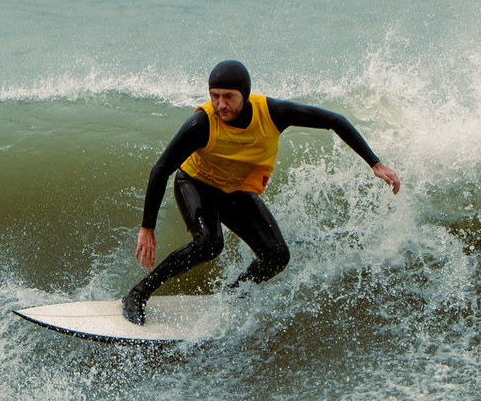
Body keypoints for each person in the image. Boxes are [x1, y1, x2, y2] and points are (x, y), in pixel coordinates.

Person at [125, 59, 400, 323]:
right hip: (196, 183)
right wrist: (147, 228)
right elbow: (161, 169)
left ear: (244, 95)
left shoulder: (272, 113)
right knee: (209, 243)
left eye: (229, 96)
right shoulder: (202, 124)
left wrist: (375, 163)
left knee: (277, 256)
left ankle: (232, 296)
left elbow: (334, 120)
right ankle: (138, 294)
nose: (221, 104)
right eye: (214, 95)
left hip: (234, 190)